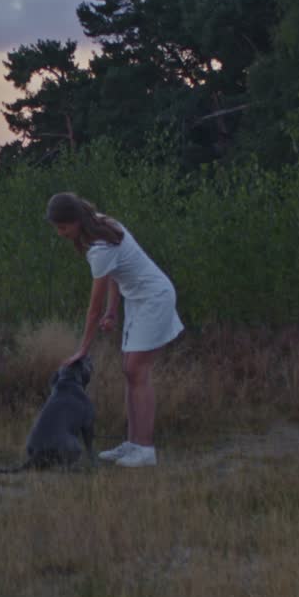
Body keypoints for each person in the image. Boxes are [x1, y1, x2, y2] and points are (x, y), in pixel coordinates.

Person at [47, 191, 183, 467]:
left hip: (154, 298)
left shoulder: (99, 245)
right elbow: (114, 275)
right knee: (130, 370)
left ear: (74, 221)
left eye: (62, 227)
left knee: (136, 370)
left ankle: (145, 450)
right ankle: (133, 444)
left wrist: (82, 350)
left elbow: (92, 308)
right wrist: (113, 311)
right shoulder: (99, 225)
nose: (60, 233)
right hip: (138, 299)